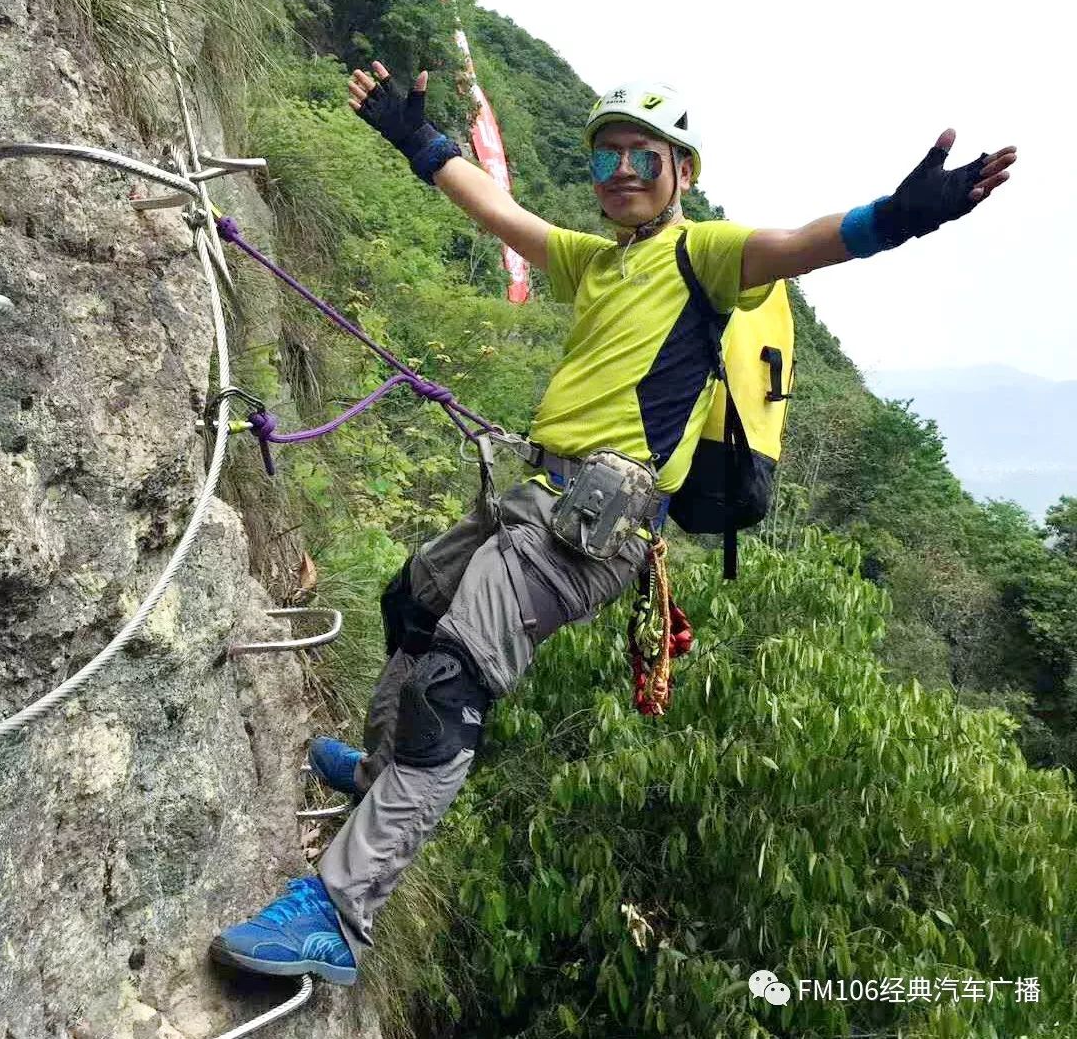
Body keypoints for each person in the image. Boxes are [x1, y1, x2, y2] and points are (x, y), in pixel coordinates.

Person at [211, 62, 1017, 985]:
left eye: (644, 156)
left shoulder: (704, 256)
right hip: (536, 501)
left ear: (684, 171)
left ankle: (338, 914)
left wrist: (900, 216)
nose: (622, 172)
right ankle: (380, 774)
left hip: (596, 523)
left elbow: (801, 243)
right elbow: (498, 213)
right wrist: (415, 140)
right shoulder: (597, 263)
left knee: (450, 684)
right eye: (606, 159)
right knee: (414, 605)